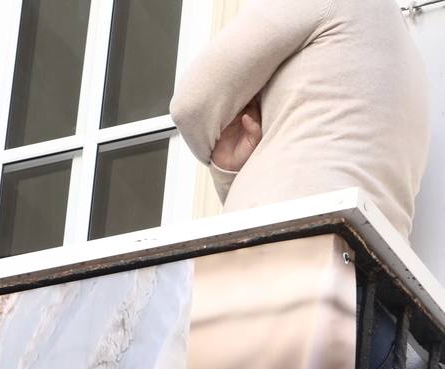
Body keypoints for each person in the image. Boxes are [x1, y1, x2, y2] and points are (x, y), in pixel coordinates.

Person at [169, 0, 429, 239]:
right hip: (369, 264)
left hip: (286, 243)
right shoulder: (410, 56)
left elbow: (190, 105)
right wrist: (230, 171)